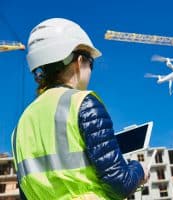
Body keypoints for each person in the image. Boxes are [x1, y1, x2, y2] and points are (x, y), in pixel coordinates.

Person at [11, 18, 148, 200]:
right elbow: (119, 183)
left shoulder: (20, 126)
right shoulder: (82, 103)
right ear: (80, 60)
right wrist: (138, 170)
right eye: (91, 63)